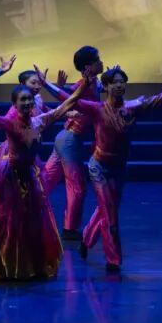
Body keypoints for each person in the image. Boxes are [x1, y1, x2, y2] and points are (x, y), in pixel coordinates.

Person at [48, 61, 162, 273]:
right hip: (99, 168)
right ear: (106, 86)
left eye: (122, 82)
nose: (119, 86)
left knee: (107, 210)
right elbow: (69, 99)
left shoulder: (133, 108)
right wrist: (45, 83)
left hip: (118, 168)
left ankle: (87, 240)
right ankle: (113, 260)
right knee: (110, 214)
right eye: (115, 83)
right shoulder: (98, 109)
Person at [0, 73, 88, 281]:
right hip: (9, 177)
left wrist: (85, 85)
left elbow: (67, 104)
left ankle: (29, 264)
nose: (27, 103)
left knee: (31, 220)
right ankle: (3, 265)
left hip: (29, 175)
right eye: (23, 100)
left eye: (29, 99)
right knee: (8, 222)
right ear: (15, 104)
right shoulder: (10, 123)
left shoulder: (39, 121)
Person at [41, 45, 104, 241]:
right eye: (97, 60)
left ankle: (24, 208)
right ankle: (69, 229)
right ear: (88, 67)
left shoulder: (93, 83)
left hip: (65, 139)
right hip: (70, 139)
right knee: (77, 185)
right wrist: (55, 86)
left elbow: (98, 89)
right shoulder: (81, 85)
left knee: (46, 180)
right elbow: (68, 96)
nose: (101, 62)